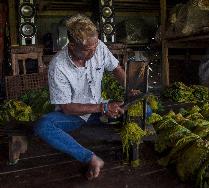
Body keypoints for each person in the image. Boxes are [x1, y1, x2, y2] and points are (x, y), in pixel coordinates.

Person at [34, 14, 135, 180]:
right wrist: (102, 108)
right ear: (72, 46)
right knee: (43, 125)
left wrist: (130, 88)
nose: (94, 51)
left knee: (145, 109)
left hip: (99, 109)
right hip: (75, 116)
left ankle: (113, 121)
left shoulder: (98, 46)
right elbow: (67, 107)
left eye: (95, 46)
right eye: (88, 49)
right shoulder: (58, 66)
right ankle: (90, 158)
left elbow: (116, 68)